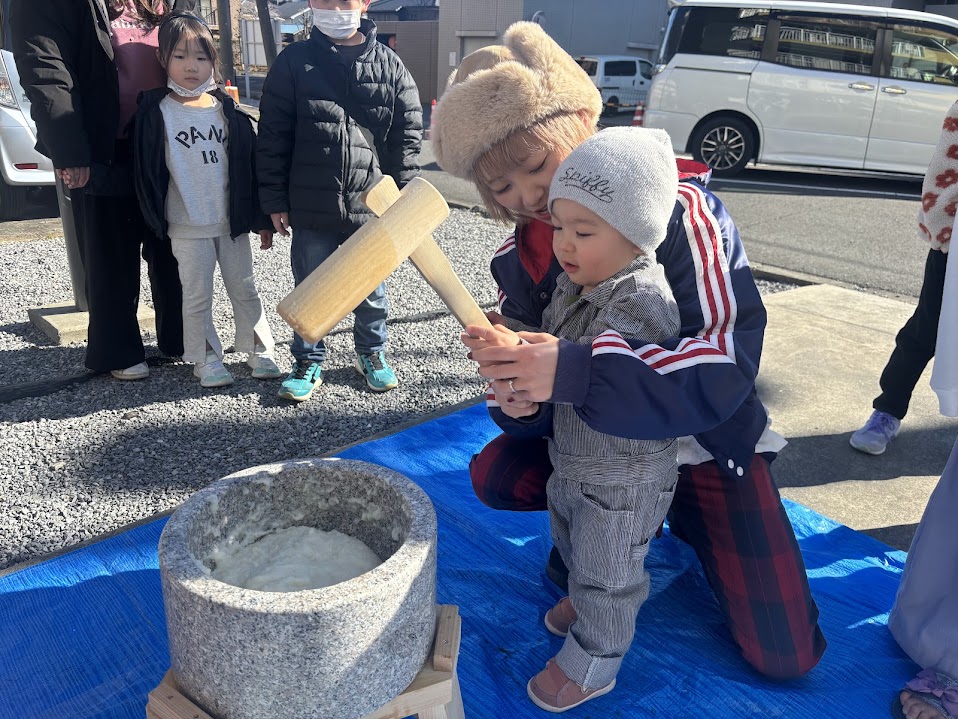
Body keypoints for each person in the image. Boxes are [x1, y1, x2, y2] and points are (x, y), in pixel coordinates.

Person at [431, 21, 826, 680]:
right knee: (497, 474)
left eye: (535, 165)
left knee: (784, 654)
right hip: (598, 456)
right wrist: (517, 389)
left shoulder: (680, 210)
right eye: (500, 187)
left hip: (701, 443)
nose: (527, 197)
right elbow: (533, 400)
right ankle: (623, 532)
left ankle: (679, 515)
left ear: (580, 123)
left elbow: (726, 359)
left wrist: (573, 368)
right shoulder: (520, 258)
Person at [473, 127, 681, 711]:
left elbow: (617, 373)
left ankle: (597, 658)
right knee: (570, 537)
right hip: (576, 458)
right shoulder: (574, 282)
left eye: (583, 231)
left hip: (624, 478)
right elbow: (560, 350)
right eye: (559, 227)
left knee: (609, 569)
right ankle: (584, 601)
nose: (563, 243)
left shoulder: (643, 299)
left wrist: (555, 362)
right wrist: (518, 351)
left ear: (637, 234)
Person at [12, 0, 188, 380]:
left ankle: (183, 336)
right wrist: (68, 150)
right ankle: (119, 349)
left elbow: (194, 47)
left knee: (177, 246)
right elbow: (45, 67)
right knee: (109, 251)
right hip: (103, 144)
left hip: (168, 140)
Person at [256, 0, 422, 401]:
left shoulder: (389, 64)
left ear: (364, 3)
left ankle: (372, 353)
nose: (334, 8)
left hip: (372, 203)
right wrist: (274, 199)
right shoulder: (293, 62)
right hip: (311, 203)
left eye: (343, 1)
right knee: (311, 286)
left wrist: (404, 202)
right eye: (324, 0)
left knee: (371, 288)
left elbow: (408, 135)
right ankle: (307, 359)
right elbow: (272, 136)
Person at [132, 14, 280, 388]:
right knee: (197, 294)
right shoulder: (156, 113)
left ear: (213, 61)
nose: (191, 66)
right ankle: (206, 357)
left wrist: (259, 217)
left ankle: (258, 346)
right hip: (186, 224)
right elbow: (147, 173)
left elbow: (247, 170)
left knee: (244, 286)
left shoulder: (228, 112)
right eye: (180, 56)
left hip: (230, 224)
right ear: (163, 59)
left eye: (200, 57)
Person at [849, 100, 956, 455]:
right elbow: (945, 164)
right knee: (925, 330)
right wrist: (943, 229)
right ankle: (887, 412)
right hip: (955, 244)